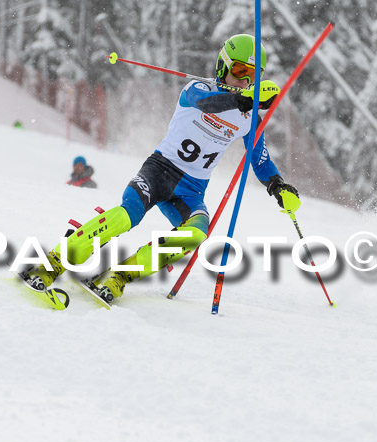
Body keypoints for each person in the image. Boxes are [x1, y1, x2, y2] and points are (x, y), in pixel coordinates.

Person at [23, 34, 300, 305]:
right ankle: (54, 263)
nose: (244, 80)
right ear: (222, 67)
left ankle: (119, 276)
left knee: (196, 234)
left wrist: (277, 185)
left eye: (253, 76)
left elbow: (260, 160)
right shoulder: (198, 90)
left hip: (191, 190)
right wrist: (241, 99)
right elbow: (207, 106)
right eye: (239, 70)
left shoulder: (250, 118)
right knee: (126, 216)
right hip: (158, 171)